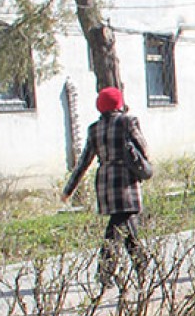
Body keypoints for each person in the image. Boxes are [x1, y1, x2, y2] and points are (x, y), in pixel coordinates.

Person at [62, 86, 150, 289]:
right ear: (119, 104)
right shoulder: (128, 121)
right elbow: (143, 147)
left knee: (124, 223)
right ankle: (110, 269)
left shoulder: (94, 129)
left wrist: (69, 189)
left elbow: (84, 161)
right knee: (118, 225)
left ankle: (134, 264)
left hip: (105, 184)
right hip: (126, 181)